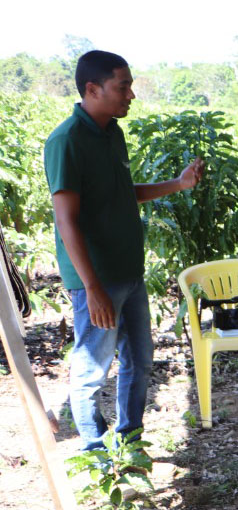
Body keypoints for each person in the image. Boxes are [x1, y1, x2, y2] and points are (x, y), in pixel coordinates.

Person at [45, 50, 206, 451]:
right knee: (91, 371)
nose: (131, 94)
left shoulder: (112, 133)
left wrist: (179, 184)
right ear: (92, 89)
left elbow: (122, 195)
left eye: (130, 85)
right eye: (123, 86)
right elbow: (67, 220)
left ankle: (130, 445)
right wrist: (92, 286)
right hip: (95, 279)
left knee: (140, 361)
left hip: (128, 273)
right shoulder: (67, 141)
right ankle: (96, 456)